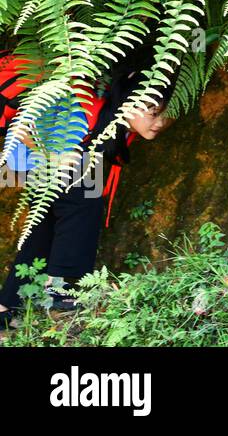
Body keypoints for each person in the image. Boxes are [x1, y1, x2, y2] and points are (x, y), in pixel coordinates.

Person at [0, 55, 175, 329]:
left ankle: (6, 307)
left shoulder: (115, 123)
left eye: (164, 113)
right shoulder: (84, 108)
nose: (160, 122)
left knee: (43, 228)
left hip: (43, 164)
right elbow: (26, 121)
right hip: (33, 157)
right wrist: (52, 156)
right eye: (153, 112)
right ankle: (63, 290)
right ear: (129, 103)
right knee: (84, 200)